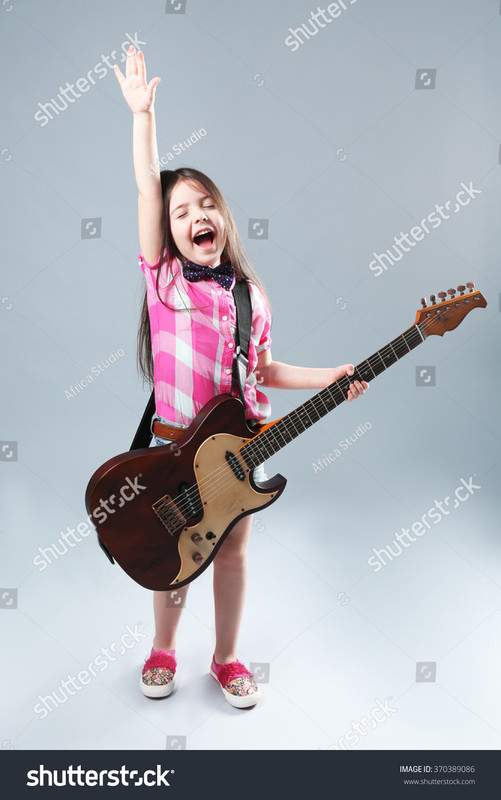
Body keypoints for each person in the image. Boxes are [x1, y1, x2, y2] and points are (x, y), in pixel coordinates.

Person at [114, 45, 369, 709]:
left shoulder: (251, 296)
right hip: (173, 446)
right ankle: (163, 648)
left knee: (229, 553)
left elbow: (263, 369)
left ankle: (225, 657)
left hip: (236, 449)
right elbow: (146, 186)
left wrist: (329, 378)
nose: (196, 216)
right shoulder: (165, 281)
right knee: (176, 557)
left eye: (206, 205)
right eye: (180, 212)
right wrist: (143, 117)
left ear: (223, 217)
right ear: (167, 234)